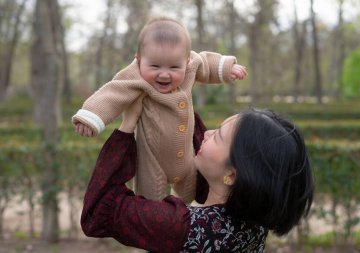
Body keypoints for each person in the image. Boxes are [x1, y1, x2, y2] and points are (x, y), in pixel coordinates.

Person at [81, 95, 314, 252]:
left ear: (232, 176)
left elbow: (100, 213)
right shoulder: (254, 222)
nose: (208, 133)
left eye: (219, 135)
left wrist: (127, 125)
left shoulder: (182, 228)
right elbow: (198, 150)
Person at [72, 16, 247, 202]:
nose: (164, 74)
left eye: (174, 67)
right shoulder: (136, 76)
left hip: (186, 157)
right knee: (149, 203)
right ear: (138, 59)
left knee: (189, 197)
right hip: (152, 162)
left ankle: (185, 211)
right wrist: (90, 117)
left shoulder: (190, 67)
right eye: (155, 66)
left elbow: (204, 62)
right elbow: (113, 92)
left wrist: (227, 68)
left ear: (186, 61)